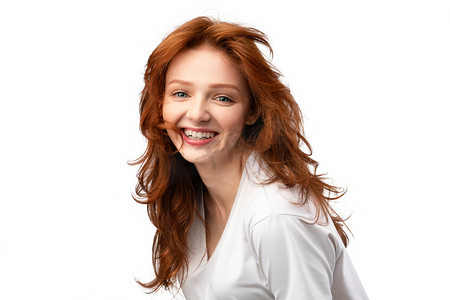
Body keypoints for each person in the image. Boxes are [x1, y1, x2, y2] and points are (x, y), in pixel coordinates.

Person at [132, 16, 368, 299]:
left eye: (222, 98)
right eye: (181, 93)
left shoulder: (276, 218)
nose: (196, 114)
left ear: (253, 111)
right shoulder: (191, 195)